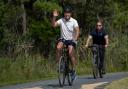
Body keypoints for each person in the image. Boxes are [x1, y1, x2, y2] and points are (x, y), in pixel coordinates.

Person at [52, 6, 80, 80]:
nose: (67, 14)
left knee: (70, 52)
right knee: (58, 47)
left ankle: (73, 70)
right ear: (64, 14)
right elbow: (54, 25)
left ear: (70, 14)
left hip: (71, 40)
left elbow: (77, 30)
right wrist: (54, 17)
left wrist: (75, 39)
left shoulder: (74, 21)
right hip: (63, 39)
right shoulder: (61, 20)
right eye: (65, 13)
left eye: (68, 13)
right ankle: (60, 65)